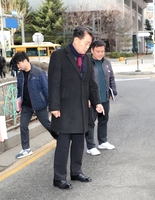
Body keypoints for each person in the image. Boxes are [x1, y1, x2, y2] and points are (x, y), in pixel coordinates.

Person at [48, 27, 104, 190]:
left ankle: (76, 171)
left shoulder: (86, 59)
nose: (87, 47)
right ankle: (59, 178)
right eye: (86, 43)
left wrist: (97, 102)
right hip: (64, 109)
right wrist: (54, 106)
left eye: (89, 44)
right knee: (63, 145)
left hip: (81, 109)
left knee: (79, 143)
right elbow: (54, 82)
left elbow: (91, 84)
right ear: (76, 39)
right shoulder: (59, 56)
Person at [13, 51, 58, 159]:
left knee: (47, 124)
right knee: (23, 126)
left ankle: (60, 138)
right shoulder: (20, 75)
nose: (18, 66)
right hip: (26, 106)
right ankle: (26, 149)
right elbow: (20, 90)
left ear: (25, 61)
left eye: (19, 63)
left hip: (39, 104)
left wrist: (52, 105)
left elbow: (47, 89)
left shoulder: (39, 72)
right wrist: (18, 104)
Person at [86, 40, 117, 156]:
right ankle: (90, 146)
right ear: (92, 50)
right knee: (90, 123)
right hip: (92, 99)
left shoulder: (107, 62)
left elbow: (111, 78)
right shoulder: (87, 63)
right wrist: (86, 98)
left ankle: (103, 141)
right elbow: (83, 82)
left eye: (102, 51)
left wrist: (113, 92)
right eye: (98, 51)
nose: (100, 53)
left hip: (104, 97)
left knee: (103, 120)